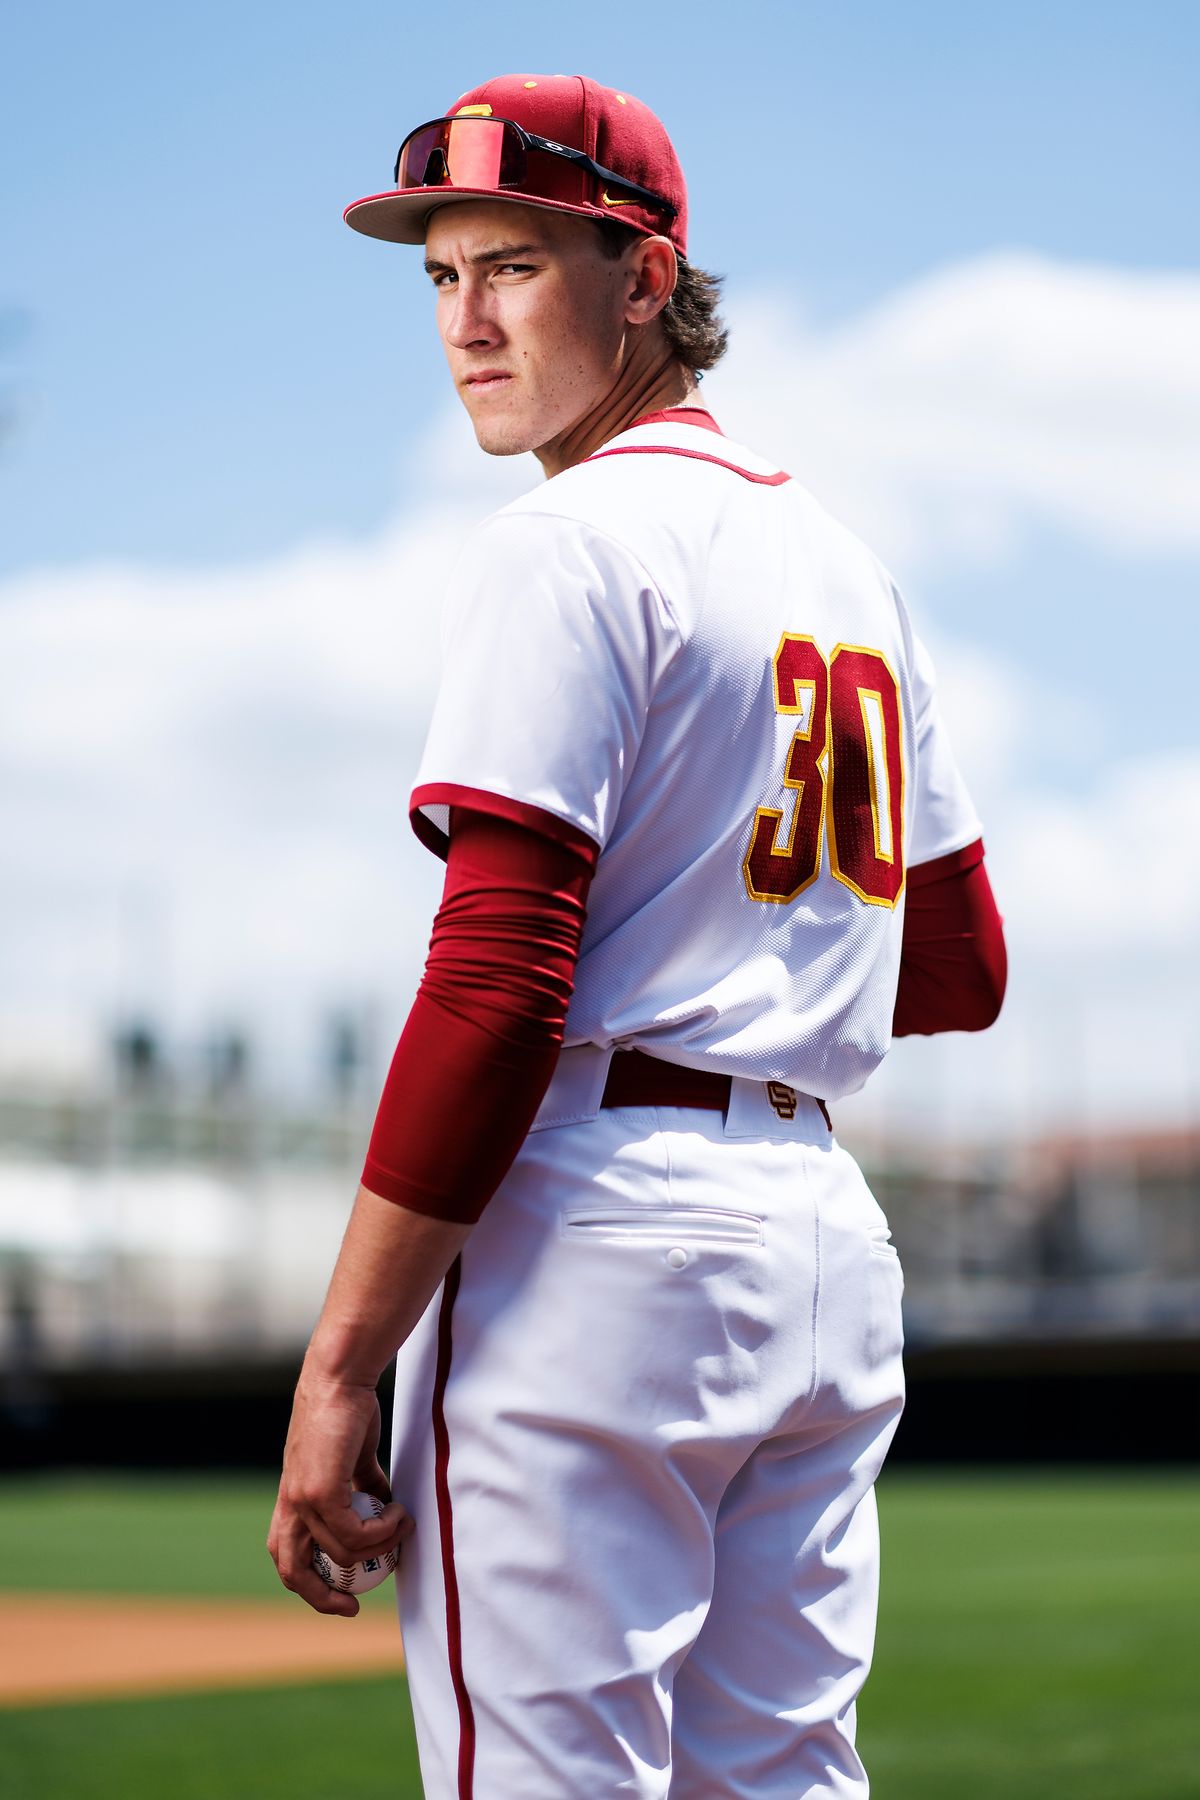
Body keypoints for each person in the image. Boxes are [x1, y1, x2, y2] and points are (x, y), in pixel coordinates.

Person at [268, 71, 1006, 1799]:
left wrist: (339, 1360)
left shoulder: (571, 538)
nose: (466, 321)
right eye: (440, 276)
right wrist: (757, 934)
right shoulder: (843, 563)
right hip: (816, 1242)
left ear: (648, 278)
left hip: (601, 1237)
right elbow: (958, 964)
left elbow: (499, 979)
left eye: (514, 265)